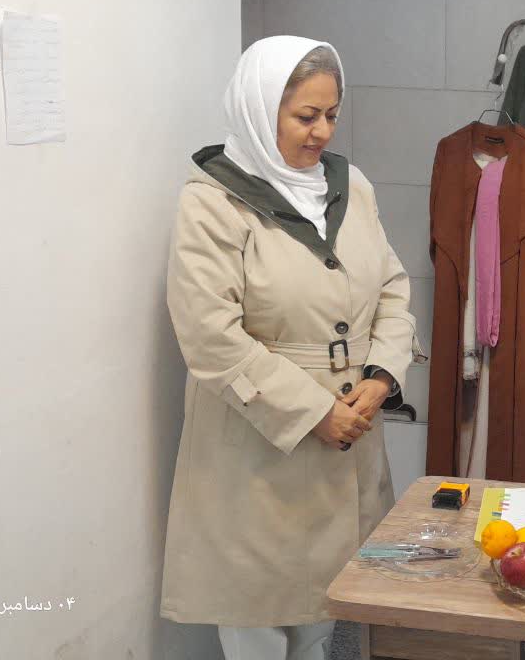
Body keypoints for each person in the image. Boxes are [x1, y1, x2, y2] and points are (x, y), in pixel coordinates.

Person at [159, 36, 417, 660]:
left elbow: (390, 286)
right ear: (259, 109)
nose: (322, 131)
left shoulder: (350, 186)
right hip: (259, 445)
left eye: (331, 115)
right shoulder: (213, 202)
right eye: (305, 116)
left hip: (351, 431)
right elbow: (210, 336)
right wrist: (315, 411)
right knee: (256, 614)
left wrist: (382, 376)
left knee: (325, 611)